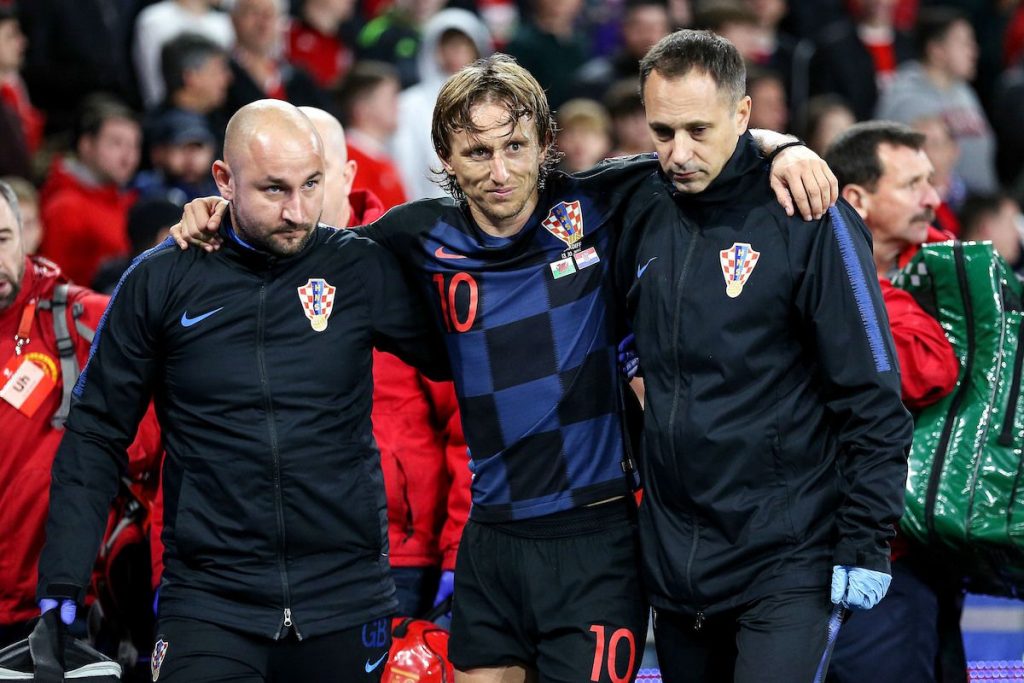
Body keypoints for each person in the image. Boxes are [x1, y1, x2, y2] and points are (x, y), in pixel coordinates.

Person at [172, 54, 837, 683]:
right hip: (489, 543)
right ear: (446, 160)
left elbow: (706, 144)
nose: (499, 171)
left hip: (594, 544)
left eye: (515, 147)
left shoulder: (602, 201)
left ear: (547, 141)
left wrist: (785, 147)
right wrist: (215, 213)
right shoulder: (416, 235)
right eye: (478, 152)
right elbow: (299, 250)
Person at [35, 99, 447, 682]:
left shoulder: (357, 268)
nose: (298, 210)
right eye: (274, 190)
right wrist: (63, 580)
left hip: (346, 597)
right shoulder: (161, 280)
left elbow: (461, 357)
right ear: (223, 180)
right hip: (210, 603)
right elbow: (97, 430)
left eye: (311, 184)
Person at [615, 31, 913, 683]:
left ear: (744, 116)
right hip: (676, 568)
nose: (679, 152)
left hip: (787, 559)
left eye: (699, 129)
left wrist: (865, 540)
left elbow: (873, 398)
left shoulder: (809, 212)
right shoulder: (637, 205)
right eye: (662, 131)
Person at [299, 105, 470, 618]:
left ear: (348, 173)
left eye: (314, 174)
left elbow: (468, 421)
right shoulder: (241, 274)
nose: (298, 195)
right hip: (280, 558)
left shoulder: (407, 265)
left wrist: (461, 547)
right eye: (278, 180)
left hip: (399, 555)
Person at [823, 119, 963, 683]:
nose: (934, 198)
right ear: (856, 198)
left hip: (920, 553)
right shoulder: (808, 269)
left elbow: (931, 370)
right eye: (912, 185)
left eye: (931, 181)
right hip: (833, 549)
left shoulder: (953, 269)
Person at [0, 180, 161, 650]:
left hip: (61, 610)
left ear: (26, 236)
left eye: (3, 239)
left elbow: (152, 440)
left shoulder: (83, 320)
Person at [875, 7, 997, 194]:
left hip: (977, 205)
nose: (973, 51)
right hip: (936, 208)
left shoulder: (964, 91)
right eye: (964, 43)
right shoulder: (905, 98)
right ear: (936, 50)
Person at [38, 96, 140, 286]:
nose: (128, 157)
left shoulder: (126, 199)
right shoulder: (65, 208)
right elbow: (55, 288)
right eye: (116, 143)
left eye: (134, 146)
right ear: (86, 145)